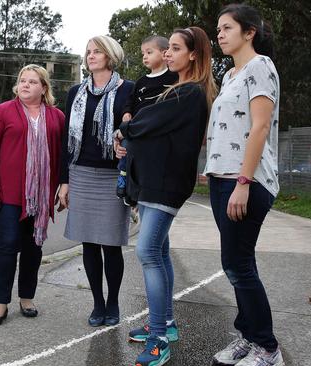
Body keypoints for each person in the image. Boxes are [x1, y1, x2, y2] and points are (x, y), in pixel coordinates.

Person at [115, 26, 217, 366]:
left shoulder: (188, 94)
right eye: (168, 48)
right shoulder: (179, 89)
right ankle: (166, 323)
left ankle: (159, 338)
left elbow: (145, 122)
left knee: (146, 251)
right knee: (158, 250)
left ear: (193, 55)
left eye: (175, 48)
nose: (168, 54)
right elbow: (147, 122)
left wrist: (125, 130)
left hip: (166, 183)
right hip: (154, 181)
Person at [203, 4, 284, 366]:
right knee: (234, 262)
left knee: (238, 264)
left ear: (249, 32)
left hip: (246, 181)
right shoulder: (232, 74)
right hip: (224, 181)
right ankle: (248, 337)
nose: (219, 34)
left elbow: (260, 127)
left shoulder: (260, 66)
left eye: (227, 28)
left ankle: (267, 348)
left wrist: (243, 181)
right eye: (217, 29)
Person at [0, 64, 65, 326]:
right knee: (7, 245)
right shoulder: (3, 112)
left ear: (44, 88)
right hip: (8, 195)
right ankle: (0, 303)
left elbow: (64, 155)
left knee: (33, 247)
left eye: (32, 81)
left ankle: (26, 297)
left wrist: (63, 184)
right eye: (22, 80)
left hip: (40, 196)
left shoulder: (57, 117)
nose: (25, 85)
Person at [58, 35, 134, 327]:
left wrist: (121, 138)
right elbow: (67, 139)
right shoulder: (75, 92)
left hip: (112, 176)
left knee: (111, 245)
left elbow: (133, 128)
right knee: (89, 244)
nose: (90, 56)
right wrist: (64, 181)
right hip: (80, 173)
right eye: (88, 51)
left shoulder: (128, 90)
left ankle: (113, 302)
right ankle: (97, 303)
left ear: (110, 55)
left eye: (97, 51)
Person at [116, 35, 178, 206]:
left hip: (156, 133)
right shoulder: (141, 81)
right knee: (126, 152)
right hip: (136, 130)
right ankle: (124, 183)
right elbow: (129, 102)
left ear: (165, 53)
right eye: (143, 53)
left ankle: (137, 190)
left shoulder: (174, 78)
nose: (144, 56)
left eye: (149, 52)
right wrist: (127, 113)